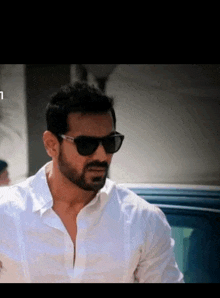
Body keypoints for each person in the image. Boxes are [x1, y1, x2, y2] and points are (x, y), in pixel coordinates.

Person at [0, 82, 184, 283]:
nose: (102, 155)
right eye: (86, 144)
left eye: (110, 142)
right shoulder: (5, 214)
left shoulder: (144, 221)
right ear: (52, 144)